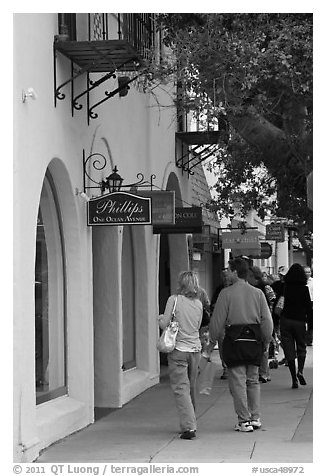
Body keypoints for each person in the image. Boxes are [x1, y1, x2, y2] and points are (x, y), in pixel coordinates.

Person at [208, 258, 273, 432]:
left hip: (234, 342)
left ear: (236, 272)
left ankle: (243, 420)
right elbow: (267, 320)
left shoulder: (226, 293)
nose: (226, 273)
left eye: (228, 270)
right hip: (254, 341)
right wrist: (266, 340)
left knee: (237, 382)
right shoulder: (258, 293)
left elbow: (217, 322)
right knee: (253, 381)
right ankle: (255, 417)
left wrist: (211, 342)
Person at [158, 271, 202, 440]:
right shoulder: (198, 304)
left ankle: (189, 426)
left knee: (180, 388)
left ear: (181, 284)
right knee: (190, 387)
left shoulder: (173, 300)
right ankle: (191, 421)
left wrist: (160, 318)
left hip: (179, 350)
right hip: (195, 349)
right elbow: (196, 326)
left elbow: (165, 323)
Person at [280, 263, 313, 388]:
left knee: (289, 349)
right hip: (299, 321)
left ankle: (293, 378)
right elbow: (309, 308)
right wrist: (311, 325)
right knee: (301, 347)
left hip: (286, 320)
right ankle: (301, 371)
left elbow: (279, 303)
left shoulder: (285, 287)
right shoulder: (304, 289)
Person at [248, 266, 276, 383]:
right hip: (254, 319)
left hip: (263, 319)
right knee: (259, 347)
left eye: (249, 275)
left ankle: (263, 373)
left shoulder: (265, 287)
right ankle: (263, 373)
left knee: (264, 345)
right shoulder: (248, 288)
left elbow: (273, 300)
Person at [271, 266, 288, 365]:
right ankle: (288, 355)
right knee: (279, 336)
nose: (281, 277)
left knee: (281, 336)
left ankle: (288, 356)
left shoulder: (288, 286)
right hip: (277, 315)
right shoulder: (276, 285)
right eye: (280, 275)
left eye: (283, 276)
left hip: (284, 315)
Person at [303, 266, 313, 346]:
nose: (307, 274)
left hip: (312, 302)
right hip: (303, 303)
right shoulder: (300, 282)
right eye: (305, 272)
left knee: (311, 322)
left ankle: (309, 339)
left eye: (309, 272)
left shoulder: (313, 282)